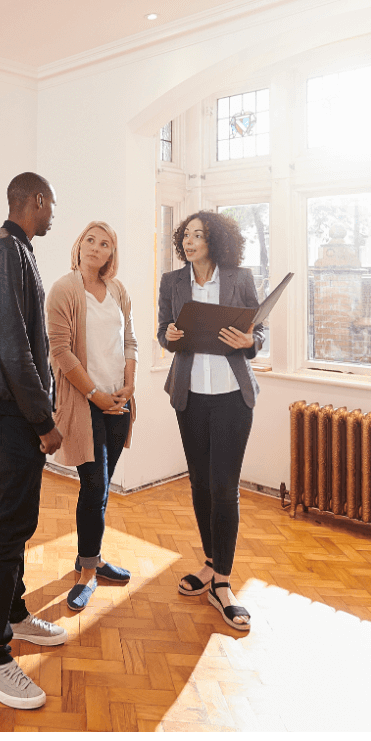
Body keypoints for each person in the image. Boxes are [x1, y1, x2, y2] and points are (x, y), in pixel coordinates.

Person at [0, 172, 70, 710]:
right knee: (11, 524)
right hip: (14, 413)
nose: (54, 215)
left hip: (14, 410)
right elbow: (13, 349)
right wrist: (44, 419)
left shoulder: (14, 249)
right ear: (36, 200)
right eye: (51, 206)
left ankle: (13, 613)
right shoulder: (5, 252)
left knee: (20, 517)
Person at [158, 211, 265, 631]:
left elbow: (258, 333)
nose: (190, 241)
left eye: (198, 235)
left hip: (232, 397)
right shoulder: (172, 282)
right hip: (190, 396)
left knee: (224, 487)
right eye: (186, 235)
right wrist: (167, 337)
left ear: (215, 240)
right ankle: (209, 561)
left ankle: (222, 582)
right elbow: (162, 331)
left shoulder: (238, 278)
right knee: (200, 484)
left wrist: (249, 341)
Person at [46, 221, 137, 612]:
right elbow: (61, 353)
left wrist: (129, 385)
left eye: (105, 244)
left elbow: (129, 339)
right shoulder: (64, 289)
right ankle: (87, 571)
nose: (96, 248)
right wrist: (97, 396)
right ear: (78, 244)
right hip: (86, 404)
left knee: (102, 485)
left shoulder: (117, 290)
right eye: (90, 240)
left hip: (119, 401)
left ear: (111, 254)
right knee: (93, 484)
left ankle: (93, 556)